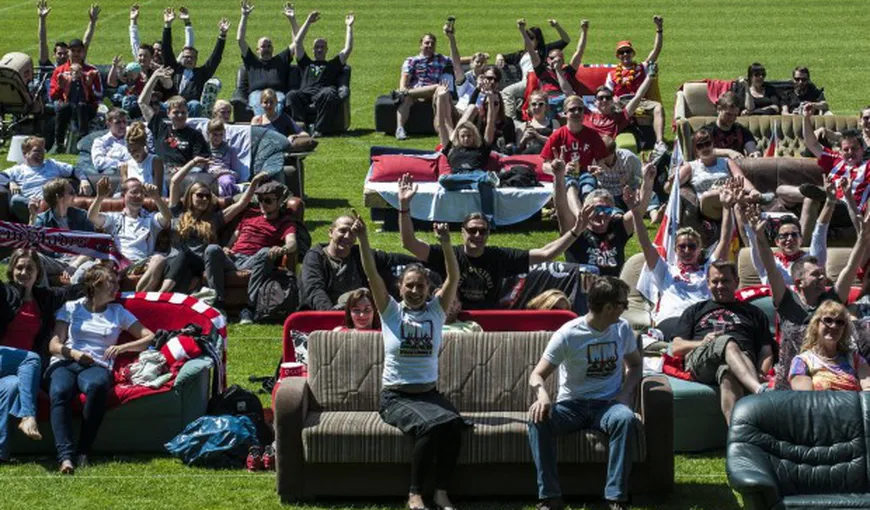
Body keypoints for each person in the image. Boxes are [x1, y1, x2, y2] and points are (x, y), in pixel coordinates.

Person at [355, 207, 463, 510]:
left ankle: (441, 492)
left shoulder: (435, 312)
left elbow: (454, 275)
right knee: (430, 426)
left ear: (429, 289)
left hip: (429, 394)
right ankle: (415, 494)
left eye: (421, 286)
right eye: (410, 286)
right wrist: (363, 239)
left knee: (453, 426)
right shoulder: (390, 311)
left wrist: (444, 243)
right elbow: (371, 273)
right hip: (395, 397)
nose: (415, 290)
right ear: (400, 288)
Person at [527, 276, 642, 510]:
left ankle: (614, 499)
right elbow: (536, 375)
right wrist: (542, 396)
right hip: (572, 406)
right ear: (609, 307)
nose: (626, 309)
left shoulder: (622, 329)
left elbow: (636, 365)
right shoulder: (568, 334)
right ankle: (550, 498)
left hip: (608, 405)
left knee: (626, 419)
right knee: (538, 420)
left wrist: (625, 394)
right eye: (623, 304)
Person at [399, 175, 584, 310]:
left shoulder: (499, 257)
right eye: (472, 230)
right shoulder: (448, 254)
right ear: (463, 232)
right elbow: (409, 242)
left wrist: (575, 232)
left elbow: (546, 254)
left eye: (483, 231)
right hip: (451, 317)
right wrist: (404, 206)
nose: (477, 235)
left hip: (489, 318)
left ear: (488, 234)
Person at [743, 201, 869, 389]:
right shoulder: (787, 301)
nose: (822, 278)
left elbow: (850, 268)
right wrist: (759, 236)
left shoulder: (831, 299)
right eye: (815, 275)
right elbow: (770, 267)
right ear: (799, 282)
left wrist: (863, 237)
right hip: (793, 378)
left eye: (822, 274)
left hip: (835, 374)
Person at [48, 264, 155, 474]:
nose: (116, 286)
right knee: (60, 390)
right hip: (66, 361)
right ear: (95, 285)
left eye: (116, 282)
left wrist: (122, 347)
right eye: (111, 282)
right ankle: (65, 457)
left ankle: (83, 451)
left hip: (97, 365)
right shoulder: (71, 307)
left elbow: (148, 336)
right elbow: (53, 346)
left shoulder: (118, 312)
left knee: (97, 385)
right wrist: (76, 354)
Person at [0, 249, 85, 461]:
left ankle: (1, 453)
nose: (24, 272)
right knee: (31, 357)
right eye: (19, 267)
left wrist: (111, 269)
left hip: (19, 370)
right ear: (12, 270)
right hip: (6, 358)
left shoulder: (44, 297)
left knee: (11, 387)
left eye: (30, 268)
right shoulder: (3, 292)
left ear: (38, 273)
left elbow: (78, 290)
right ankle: (28, 416)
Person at [671, 260, 776, 424]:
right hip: (701, 362)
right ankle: (757, 390)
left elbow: (766, 352)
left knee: (728, 372)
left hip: (742, 361)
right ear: (708, 283)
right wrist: (703, 343)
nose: (720, 286)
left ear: (737, 282)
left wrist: (761, 371)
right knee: (726, 341)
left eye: (725, 280)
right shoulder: (695, 310)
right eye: (715, 281)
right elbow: (676, 348)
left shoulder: (754, 313)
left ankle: (737, 437)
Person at [628, 180, 737, 338]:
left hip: (703, 319)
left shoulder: (710, 270)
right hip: (672, 320)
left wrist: (727, 207)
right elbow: (645, 244)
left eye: (692, 246)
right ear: (675, 250)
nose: (687, 250)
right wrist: (636, 212)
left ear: (700, 250)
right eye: (682, 247)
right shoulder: (665, 270)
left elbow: (725, 240)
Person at [165, 161, 269, 307]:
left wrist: (254, 182)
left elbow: (241, 204)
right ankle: (166, 299)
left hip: (200, 263)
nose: (204, 199)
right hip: (176, 261)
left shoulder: (214, 218)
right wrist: (195, 162)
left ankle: (162, 296)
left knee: (188, 254)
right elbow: (175, 182)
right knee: (182, 256)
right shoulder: (178, 212)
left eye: (207, 196)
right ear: (190, 196)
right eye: (200, 195)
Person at [208, 180, 298, 324]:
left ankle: (248, 308)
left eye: (268, 200)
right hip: (234, 258)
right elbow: (233, 241)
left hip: (256, 260)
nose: (263, 204)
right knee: (212, 249)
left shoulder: (285, 222)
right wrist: (226, 249)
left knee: (264, 252)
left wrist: (282, 249)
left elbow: (292, 243)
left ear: (280, 201)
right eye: (261, 200)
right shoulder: (249, 214)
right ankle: (219, 305)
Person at [550, 157, 655, 277]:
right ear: (586, 209)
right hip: (583, 290)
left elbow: (640, 209)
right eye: (597, 209)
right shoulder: (576, 229)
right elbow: (561, 208)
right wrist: (558, 177)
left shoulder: (617, 227)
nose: (602, 214)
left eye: (607, 209)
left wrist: (648, 180)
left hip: (613, 290)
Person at [300, 215, 417, 311]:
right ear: (330, 232)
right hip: (329, 312)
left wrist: (424, 259)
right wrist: (330, 314)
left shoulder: (358, 254)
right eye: (342, 231)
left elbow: (391, 258)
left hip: (361, 312)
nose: (347, 236)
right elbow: (314, 290)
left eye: (352, 232)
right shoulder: (315, 257)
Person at [786, 110, 870, 231]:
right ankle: (823, 196)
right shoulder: (836, 159)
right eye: (846, 150)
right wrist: (806, 118)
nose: (850, 153)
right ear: (840, 151)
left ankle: (801, 245)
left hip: (847, 207)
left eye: (855, 149)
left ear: (863, 150)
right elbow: (812, 144)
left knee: (810, 200)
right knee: (781, 190)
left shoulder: (867, 166)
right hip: (828, 201)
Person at [741, 181, 833, 286]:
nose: (789, 239)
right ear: (777, 241)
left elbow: (820, 232)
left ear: (801, 240)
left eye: (794, 235)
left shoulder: (812, 259)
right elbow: (753, 240)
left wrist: (830, 201)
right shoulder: (768, 260)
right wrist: (741, 204)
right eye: (784, 236)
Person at [88, 177, 171, 292]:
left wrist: (156, 197)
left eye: (141, 192)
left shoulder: (150, 218)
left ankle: (140, 297)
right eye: (134, 192)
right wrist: (100, 197)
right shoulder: (114, 218)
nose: (138, 196)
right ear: (124, 195)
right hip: (117, 263)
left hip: (142, 264)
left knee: (159, 259)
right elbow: (92, 217)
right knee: (105, 260)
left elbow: (167, 217)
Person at [287, 11, 354, 137]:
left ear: (326, 50)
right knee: (292, 94)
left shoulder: (332, 65)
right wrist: (308, 21)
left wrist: (349, 26)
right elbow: (297, 42)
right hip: (305, 94)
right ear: (312, 50)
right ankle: (301, 127)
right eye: (317, 47)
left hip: (322, 94)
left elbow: (348, 49)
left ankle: (319, 129)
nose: (319, 49)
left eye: (322, 47)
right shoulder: (305, 63)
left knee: (329, 92)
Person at [604, 15, 666, 152]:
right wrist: (614, 101)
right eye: (621, 52)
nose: (625, 54)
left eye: (627, 51)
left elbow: (657, 50)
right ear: (618, 56)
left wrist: (659, 29)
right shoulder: (612, 74)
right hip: (621, 102)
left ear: (633, 53)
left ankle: (660, 142)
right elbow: (607, 93)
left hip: (641, 101)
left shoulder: (641, 68)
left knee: (658, 107)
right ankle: (608, 143)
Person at [1, 136, 90, 222]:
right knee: (16, 200)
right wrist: (10, 182)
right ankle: (40, 220)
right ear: (25, 153)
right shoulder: (17, 170)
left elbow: (75, 169)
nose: (41, 154)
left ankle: (48, 220)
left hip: (54, 201)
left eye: (43, 150)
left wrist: (83, 179)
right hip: (32, 205)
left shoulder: (52, 164)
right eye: (36, 151)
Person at [160, 9, 229, 118]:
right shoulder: (174, 68)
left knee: (195, 105)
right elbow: (166, 49)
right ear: (182, 57)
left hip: (189, 108)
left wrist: (222, 35)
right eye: (186, 57)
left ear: (196, 60)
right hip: (171, 105)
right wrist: (167, 25)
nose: (188, 59)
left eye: (192, 57)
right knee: (158, 106)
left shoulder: (201, 73)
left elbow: (215, 58)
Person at [677, 130, 760, 220]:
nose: (705, 148)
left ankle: (749, 198)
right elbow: (670, 188)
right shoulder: (690, 166)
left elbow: (740, 178)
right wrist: (671, 180)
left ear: (713, 144)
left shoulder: (726, 162)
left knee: (735, 202)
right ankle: (749, 199)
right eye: (700, 146)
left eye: (707, 143)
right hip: (710, 207)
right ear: (695, 150)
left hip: (732, 203)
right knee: (708, 196)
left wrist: (752, 190)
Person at [139, 68, 210, 173]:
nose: (180, 115)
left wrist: (180, 171)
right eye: (176, 112)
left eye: (183, 112)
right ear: (168, 113)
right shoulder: (160, 128)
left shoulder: (195, 136)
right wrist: (155, 77)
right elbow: (142, 102)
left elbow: (199, 165)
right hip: (160, 175)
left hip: (184, 177)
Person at [540, 95, 609, 203]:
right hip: (565, 177)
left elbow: (602, 162)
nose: (577, 112)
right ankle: (580, 216)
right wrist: (560, 170)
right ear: (565, 113)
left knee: (587, 189)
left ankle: (584, 215)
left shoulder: (592, 135)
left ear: (584, 112)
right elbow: (544, 166)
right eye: (572, 109)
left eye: (580, 109)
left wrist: (598, 169)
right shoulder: (557, 135)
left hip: (586, 175)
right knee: (571, 186)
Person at [497, 19, 571, 119]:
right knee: (510, 97)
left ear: (538, 39)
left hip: (536, 80)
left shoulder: (545, 50)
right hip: (525, 84)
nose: (528, 40)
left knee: (506, 92)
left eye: (531, 38)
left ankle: (511, 121)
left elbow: (566, 40)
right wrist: (499, 57)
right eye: (527, 37)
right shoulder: (520, 54)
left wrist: (557, 26)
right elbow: (503, 56)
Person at [790, 301, 870, 391]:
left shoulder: (855, 359)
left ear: (844, 329)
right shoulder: (802, 361)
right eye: (828, 320)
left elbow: (868, 390)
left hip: (852, 404)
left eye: (840, 322)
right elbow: (806, 399)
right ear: (816, 324)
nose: (834, 326)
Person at [435, 111, 499, 224]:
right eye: (463, 136)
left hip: (476, 174)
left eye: (469, 136)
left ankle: (488, 219)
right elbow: (441, 124)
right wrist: (440, 99)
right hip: (458, 178)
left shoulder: (480, 149)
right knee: (443, 179)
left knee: (484, 185)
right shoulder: (451, 149)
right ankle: (486, 178)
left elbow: (490, 124)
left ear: (474, 136)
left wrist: (490, 101)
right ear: (458, 137)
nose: (466, 139)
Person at [237, 0, 297, 116]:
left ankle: (268, 126)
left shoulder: (281, 60)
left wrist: (292, 19)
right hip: (257, 94)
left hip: (277, 93)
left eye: (269, 46)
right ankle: (265, 126)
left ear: (273, 48)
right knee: (257, 102)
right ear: (257, 50)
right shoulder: (251, 61)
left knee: (278, 102)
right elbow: (240, 40)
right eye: (263, 46)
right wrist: (244, 16)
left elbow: (297, 42)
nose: (266, 48)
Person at [30, 179, 94, 286]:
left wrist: (74, 265)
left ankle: (73, 298)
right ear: (58, 197)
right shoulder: (43, 220)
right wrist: (33, 216)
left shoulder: (81, 216)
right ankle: (45, 296)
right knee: (33, 257)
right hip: (56, 261)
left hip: (80, 260)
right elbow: (30, 242)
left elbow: (91, 246)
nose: (75, 195)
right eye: (71, 192)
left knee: (83, 273)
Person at [393, 32, 452, 140]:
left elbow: (458, 61)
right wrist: (402, 88)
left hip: (432, 92)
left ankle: (440, 129)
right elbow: (404, 77)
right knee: (406, 99)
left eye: (432, 43)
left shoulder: (440, 59)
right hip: (417, 91)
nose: (429, 45)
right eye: (427, 43)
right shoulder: (411, 60)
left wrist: (476, 57)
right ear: (421, 45)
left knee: (438, 89)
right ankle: (400, 129)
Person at [49, 38, 103, 151]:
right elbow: (52, 95)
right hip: (67, 104)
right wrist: (61, 86)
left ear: (83, 52)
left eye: (79, 51)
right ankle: (59, 143)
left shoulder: (91, 70)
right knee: (63, 108)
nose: (76, 54)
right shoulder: (60, 71)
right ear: (68, 52)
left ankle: (83, 142)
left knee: (81, 106)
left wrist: (89, 84)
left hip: (86, 106)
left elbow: (99, 94)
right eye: (73, 51)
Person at [584, 66, 655, 149]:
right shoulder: (586, 114)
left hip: (605, 150)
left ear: (612, 101)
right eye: (601, 98)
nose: (604, 100)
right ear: (595, 102)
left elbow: (638, 96)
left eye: (607, 98)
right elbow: (569, 93)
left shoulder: (619, 117)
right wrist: (564, 76)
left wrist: (649, 77)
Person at [519, 18, 584, 100]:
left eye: (559, 59)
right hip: (548, 102)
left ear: (563, 61)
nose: (556, 60)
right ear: (548, 60)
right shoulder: (542, 71)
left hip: (566, 102)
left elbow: (579, 52)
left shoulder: (568, 71)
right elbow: (531, 50)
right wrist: (522, 31)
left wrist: (584, 31)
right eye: (552, 58)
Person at [588, 136, 644, 211]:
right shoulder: (593, 161)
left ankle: (653, 212)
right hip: (607, 194)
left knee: (650, 195)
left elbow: (643, 175)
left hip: (628, 191)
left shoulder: (628, 158)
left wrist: (639, 189)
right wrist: (592, 176)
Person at [703, 91, 761, 159]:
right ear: (719, 109)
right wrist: (728, 152)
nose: (732, 118)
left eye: (735, 115)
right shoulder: (707, 132)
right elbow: (704, 151)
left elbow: (750, 146)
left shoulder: (741, 130)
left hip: (738, 167)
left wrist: (754, 153)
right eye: (728, 114)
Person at [119, 122, 164, 194]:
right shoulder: (124, 166)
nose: (132, 153)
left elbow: (158, 191)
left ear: (144, 145)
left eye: (135, 150)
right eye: (129, 150)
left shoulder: (155, 161)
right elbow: (125, 192)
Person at [205, 119, 242, 197]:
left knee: (227, 182)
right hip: (209, 175)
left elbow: (236, 173)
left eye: (221, 134)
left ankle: (228, 203)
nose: (218, 138)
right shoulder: (204, 148)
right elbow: (201, 168)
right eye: (215, 134)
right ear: (209, 134)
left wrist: (225, 172)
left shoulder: (230, 150)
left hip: (225, 175)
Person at [91, 109, 132, 175]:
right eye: (118, 123)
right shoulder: (100, 142)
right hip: (113, 177)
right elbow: (98, 162)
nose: (122, 126)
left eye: (124, 122)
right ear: (108, 124)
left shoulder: (133, 139)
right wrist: (122, 164)